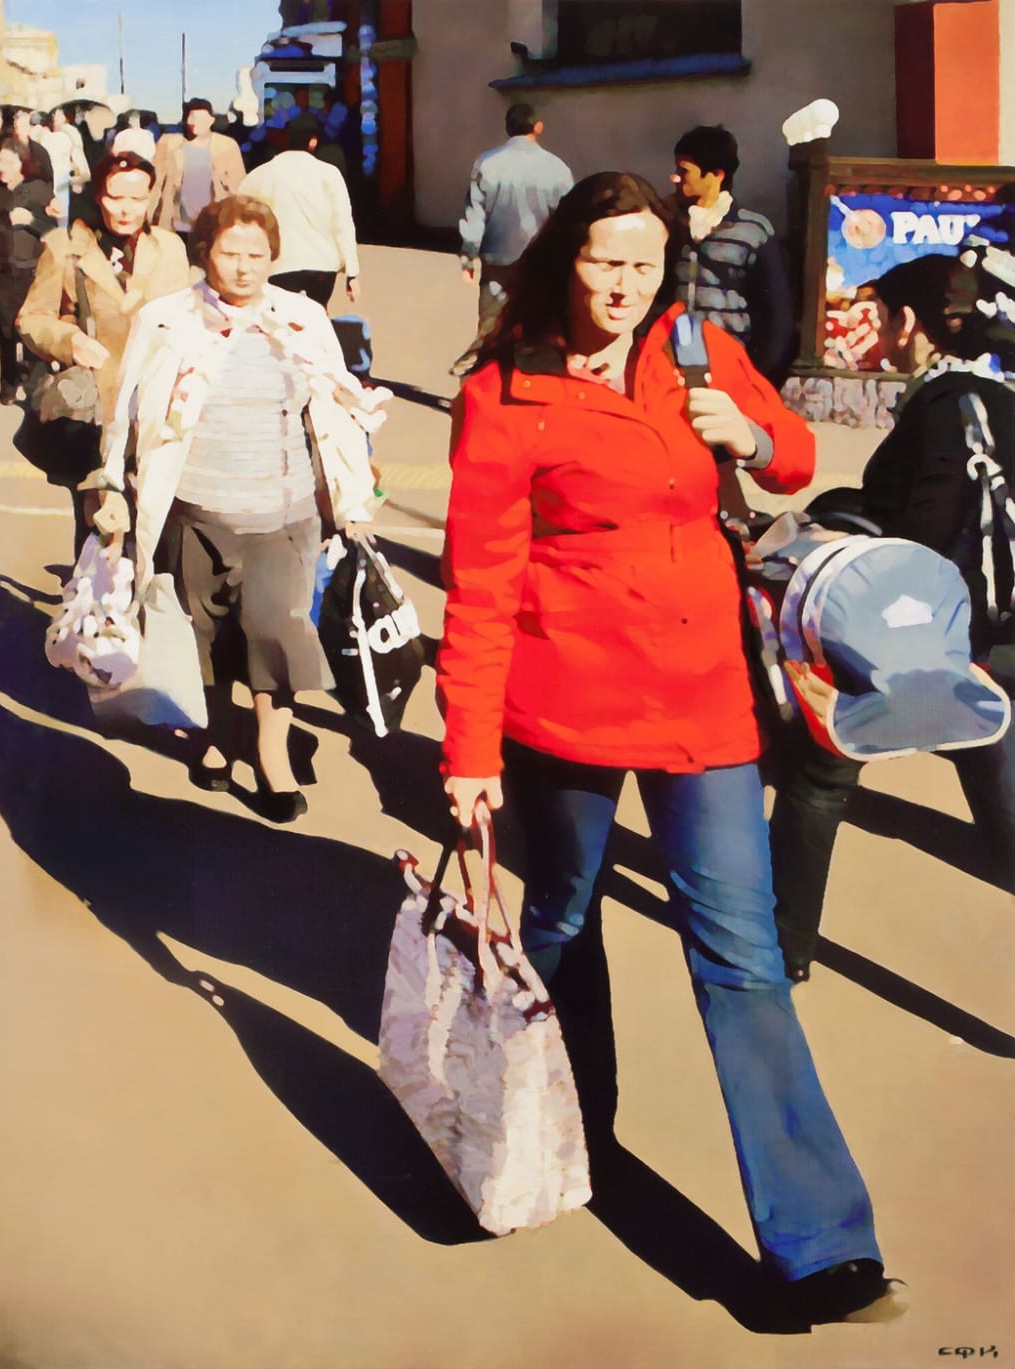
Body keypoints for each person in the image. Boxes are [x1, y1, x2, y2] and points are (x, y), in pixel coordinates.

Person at [438, 171, 907, 1326]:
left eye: (642, 265)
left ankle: (819, 1242)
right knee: (559, 919)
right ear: (564, 259)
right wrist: (466, 750)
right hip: (564, 703)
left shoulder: (693, 350)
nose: (622, 286)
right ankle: (561, 1132)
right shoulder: (505, 391)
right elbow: (480, 583)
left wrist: (749, 432)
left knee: (740, 950)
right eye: (603, 261)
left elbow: (791, 459)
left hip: (701, 701)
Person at [86, 195, 382, 824]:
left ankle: (272, 754)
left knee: (276, 635)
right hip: (196, 511)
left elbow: (337, 412)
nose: (244, 267)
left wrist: (352, 500)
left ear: (274, 257)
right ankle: (218, 736)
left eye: (258, 254)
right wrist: (111, 487)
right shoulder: (166, 319)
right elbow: (127, 410)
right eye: (230, 252)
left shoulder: (302, 318)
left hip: (284, 513)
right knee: (206, 635)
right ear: (206, 254)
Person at [770, 248, 1015, 980]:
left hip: (935, 632)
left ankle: (784, 950)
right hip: (1000, 632)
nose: (880, 333)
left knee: (821, 773)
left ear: (909, 322)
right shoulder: (1003, 397)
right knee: (992, 756)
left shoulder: (940, 408)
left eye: (883, 319)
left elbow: (926, 533)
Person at [18, 151, 192, 547]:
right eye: (115, 197)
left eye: (137, 198)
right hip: (98, 408)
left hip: (159, 405)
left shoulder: (170, 248)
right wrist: (70, 341)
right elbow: (31, 318)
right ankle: (92, 584)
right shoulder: (66, 247)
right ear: (99, 196)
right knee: (100, 525)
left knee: (158, 523)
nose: (126, 209)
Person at [453, 102, 574, 375]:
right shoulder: (557, 168)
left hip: (498, 258)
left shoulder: (487, 164)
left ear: (507, 128)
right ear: (538, 127)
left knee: (491, 324)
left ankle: (481, 376)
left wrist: (468, 254)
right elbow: (568, 217)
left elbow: (475, 214)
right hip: (541, 259)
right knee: (539, 323)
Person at [672, 124, 797, 385]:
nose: (675, 178)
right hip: (674, 365)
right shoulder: (670, 225)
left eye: (684, 171)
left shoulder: (753, 231)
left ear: (716, 175)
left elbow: (777, 313)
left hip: (730, 367)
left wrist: (757, 375)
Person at [236, 114, 359, 309]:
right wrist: (352, 272)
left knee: (282, 317)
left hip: (281, 263)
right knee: (317, 314)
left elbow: (240, 208)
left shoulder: (262, 173)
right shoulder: (328, 173)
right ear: (313, 141)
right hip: (322, 263)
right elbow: (343, 223)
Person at [0, 139, 55, 403]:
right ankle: (8, 383)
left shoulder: (37, 191)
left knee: (29, 329)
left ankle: (30, 377)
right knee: (5, 330)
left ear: (22, 163)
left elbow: (54, 230)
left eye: (7, 161)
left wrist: (31, 220)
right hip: (1, 270)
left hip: (31, 270)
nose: (0, 167)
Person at [151, 98, 244, 234]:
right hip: (176, 223)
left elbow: (238, 186)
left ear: (211, 120)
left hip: (213, 223)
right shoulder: (169, 143)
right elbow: (155, 184)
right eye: (192, 117)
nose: (194, 122)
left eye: (201, 118)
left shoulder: (227, 146)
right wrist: (148, 217)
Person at [39, 107, 91, 231]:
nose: (55, 117)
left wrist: (81, 173)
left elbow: (77, 154)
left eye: (59, 114)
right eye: (54, 114)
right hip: (50, 177)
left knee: (60, 214)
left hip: (61, 176)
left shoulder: (69, 131)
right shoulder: (45, 132)